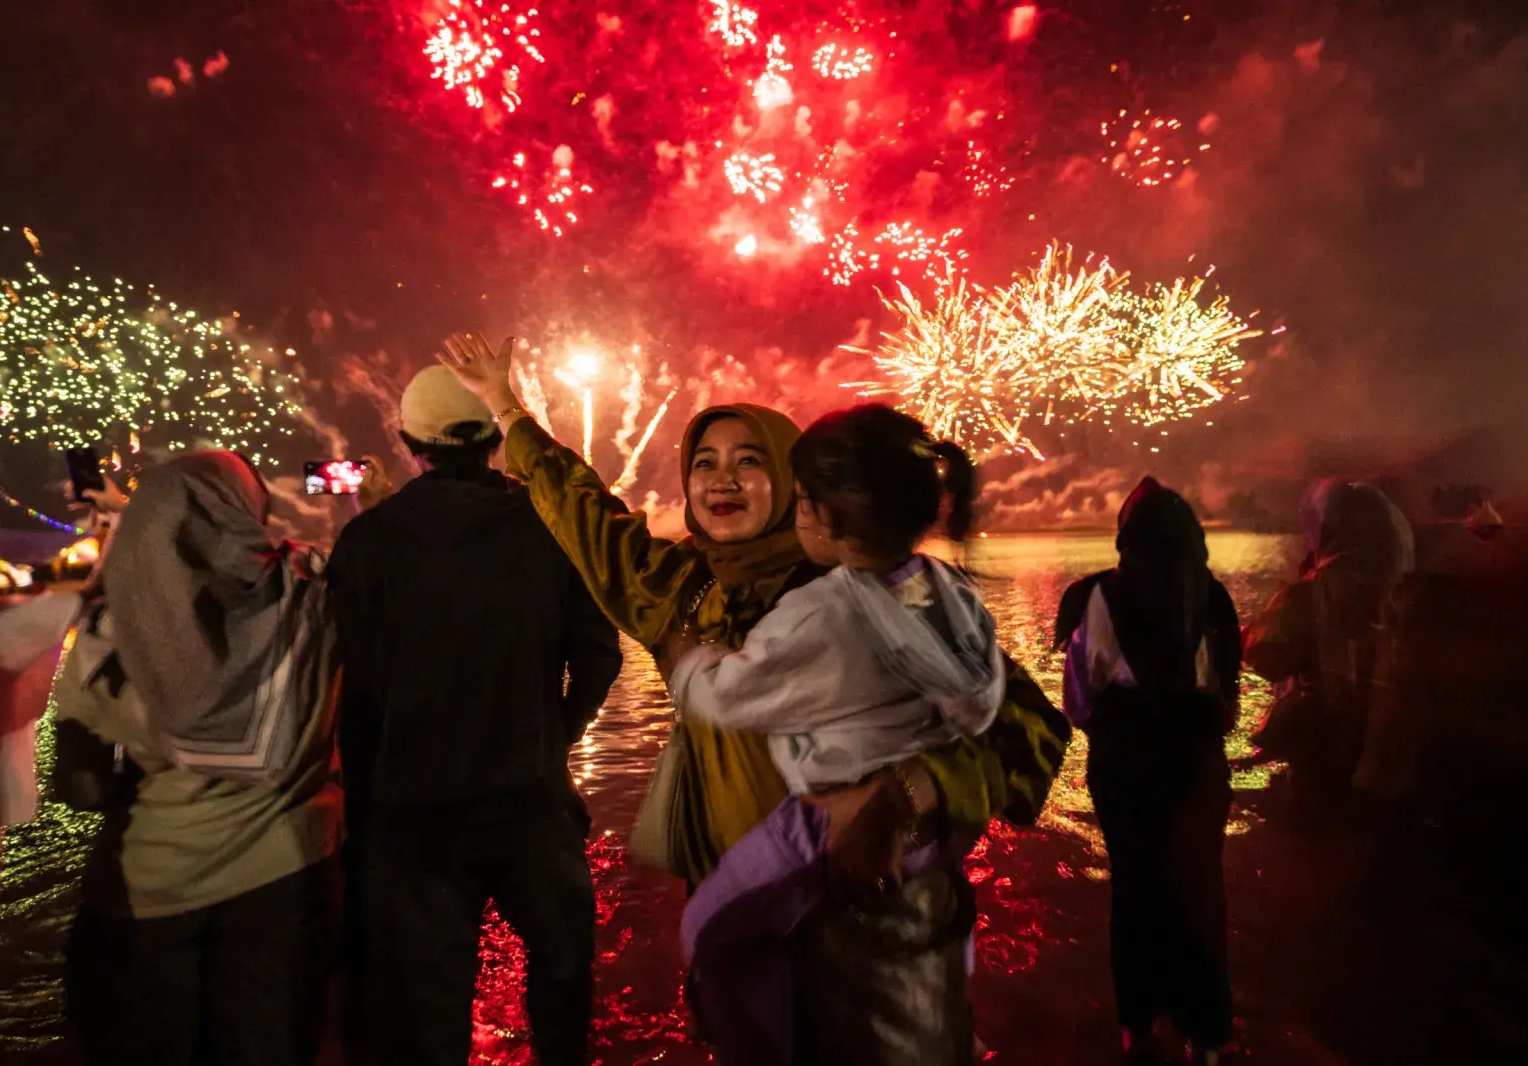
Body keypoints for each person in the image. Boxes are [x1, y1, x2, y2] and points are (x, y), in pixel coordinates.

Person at [438, 331, 1072, 1064]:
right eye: (703, 462)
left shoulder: (881, 596)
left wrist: (916, 789)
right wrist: (508, 410)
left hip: (874, 927)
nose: (721, 479)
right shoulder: (683, 591)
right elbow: (589, 520)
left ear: (799, 485)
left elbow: (1031, 726)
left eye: (749, 461)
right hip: (746, 917)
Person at [667, 405, 1004, 1066]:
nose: (721, 481)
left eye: (796, 500)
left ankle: (750, 1042)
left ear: (824, 515)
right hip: (932, 847)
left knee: (706, 928)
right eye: (704, 463)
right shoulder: (950, 592)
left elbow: (731, 691)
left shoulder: (817, 610)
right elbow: (984, 702)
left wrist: (685, 663)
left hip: (820, 822)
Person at [327, 366, 622, 1066]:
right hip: (533, 806)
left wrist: (361, 817)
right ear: (495, 436)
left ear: (407, 443)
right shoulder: (547, 527)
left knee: (430, 1014)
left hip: (411, 820)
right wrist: (555, 736)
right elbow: (600, 657)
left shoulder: (369, 542)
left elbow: (350, 691)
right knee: (562, 983)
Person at [57, 451, 342, 1066]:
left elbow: (79, 787)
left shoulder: (106, 632)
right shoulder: (314, 596)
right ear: (248, 510)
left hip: (149, 898)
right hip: (283, 885)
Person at [1054, 477, 1240, 1066]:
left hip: (1125, 765)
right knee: (1200, 893)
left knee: (1135, 893)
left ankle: (1138, 1028)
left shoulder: (1092, 597)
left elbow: (1079, 699)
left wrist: (1120, 728)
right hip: (1197, 766)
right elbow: (1228, 703)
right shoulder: (1214, 598)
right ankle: (1206, 1036)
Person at [1245, 479, 1413, 820]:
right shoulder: (1405, 586)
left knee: (1317, 831)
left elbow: (1268, 657)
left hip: (1325, 742)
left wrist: (1243, 633)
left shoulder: (1313, 592)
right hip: (1393, 745)